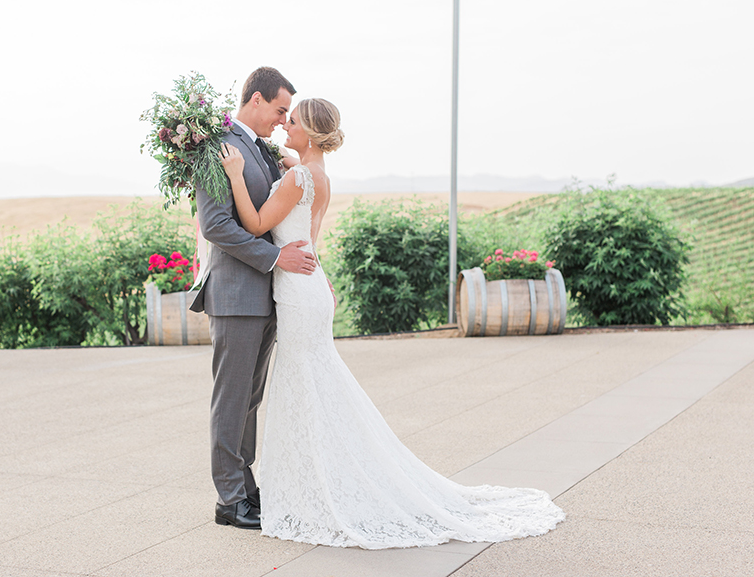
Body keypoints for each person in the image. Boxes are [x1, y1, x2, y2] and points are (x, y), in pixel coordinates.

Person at [220, 98, 566, 548]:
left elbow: (254, 221)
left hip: (298, 290)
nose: (285, 126)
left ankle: (317, 483)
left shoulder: (297, 177)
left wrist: (234, 177)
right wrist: (285, 157)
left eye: (293, 121)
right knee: (315, 383)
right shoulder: (316, 175)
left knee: (304, 384)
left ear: (310, 131)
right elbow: (297, 183)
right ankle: (317, 477)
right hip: (310, 285)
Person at [190, 67, 318, 530]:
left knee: (250, 398)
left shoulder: (259, 147)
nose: (282, 119)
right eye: (281, 109)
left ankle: (246, 488)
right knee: (231, 400)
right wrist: (274, 258)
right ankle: (229, 500)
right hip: (236, 294)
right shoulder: (218, 145)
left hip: (264, 296)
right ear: (257, 99)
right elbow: (216, 225)